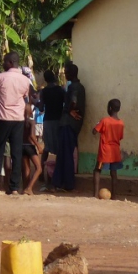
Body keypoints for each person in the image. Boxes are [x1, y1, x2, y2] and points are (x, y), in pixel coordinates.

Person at [0, 52, 32, 195]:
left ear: (10, 62)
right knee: (16, 153)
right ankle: (14, 188)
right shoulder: (25, 81)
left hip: (2, 119)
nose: (3, 64)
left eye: (5, 61)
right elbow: (25, 99)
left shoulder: (0, 77)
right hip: (18, 120)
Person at [53, 63, 85, 191]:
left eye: (66, 72)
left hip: (68, 124)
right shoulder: (77, 86)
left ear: (71, 73)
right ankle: (60, 182)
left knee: (65, 154)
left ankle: (67, 184)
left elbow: (73, 101)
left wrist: (68, 110)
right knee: (64, 154)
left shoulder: (74, 87)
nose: (65, 75)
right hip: (71, 124)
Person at [37, 69, 65, 190]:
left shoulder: (44, 92)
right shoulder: (61, 90)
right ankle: (57, 174)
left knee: (47, 147)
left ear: (45, 79)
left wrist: (35, 102)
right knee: (59, 148)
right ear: (54, 78)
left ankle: (41, 171)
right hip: (59, 120)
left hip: (48, 121)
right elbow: (66, 103)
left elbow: (41, 107)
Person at [92, 98, 124, 200]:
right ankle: (114, 195)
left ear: (109, 108)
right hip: (115, 151)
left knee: (97, 170)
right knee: (113, 173)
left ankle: (96, 194)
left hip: (105, 150)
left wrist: (97, 124)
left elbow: (94, 131)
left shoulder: (104, 120)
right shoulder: (121, 123)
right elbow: (120, 137)